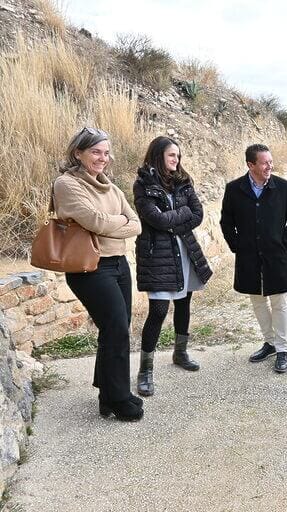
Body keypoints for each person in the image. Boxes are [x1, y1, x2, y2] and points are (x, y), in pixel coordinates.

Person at [53, 127, 143, 421]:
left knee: (116, 329)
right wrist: (116, 222)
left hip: (118, 264)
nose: (102, 158)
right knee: (116, 327)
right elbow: (94, 221)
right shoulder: (67, 184)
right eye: (95, 151)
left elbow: (137, 224)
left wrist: (110, 222)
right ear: (78, 152)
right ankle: (119, 398)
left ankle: (108, 395)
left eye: (106, 152)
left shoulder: (111, 187)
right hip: (90, 267)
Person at [133, 136, 213, 396]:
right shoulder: (143, 184)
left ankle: (180, 353)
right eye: (171, 155)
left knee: (184, 303)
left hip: (184, 251)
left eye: (178, 156)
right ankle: (145, 371)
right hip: (159, 256)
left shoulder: (183, 181)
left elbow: (198, 214)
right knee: (157, 310)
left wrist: (172, 222)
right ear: (158, 155)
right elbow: (155, 219)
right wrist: (181, 216)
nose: (176, 160)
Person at [220, 143, 287, 373]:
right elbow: (226, 222)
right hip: (248, 257)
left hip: (276, 256)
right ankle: (270, 343)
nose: (270, 166)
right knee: (257, 300)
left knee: (279, 301)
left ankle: (283, 348)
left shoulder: (284, 187)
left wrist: (284, 243)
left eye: (270, 161)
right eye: (265, 162)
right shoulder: (234, 189)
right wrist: (236, 246)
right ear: (251, 165)